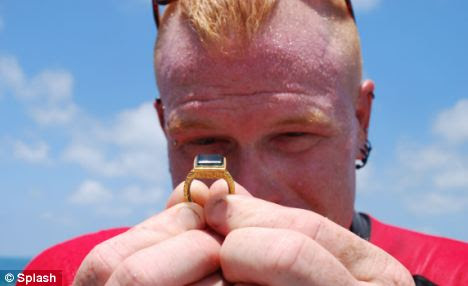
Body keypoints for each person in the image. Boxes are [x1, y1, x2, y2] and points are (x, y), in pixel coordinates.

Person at [24, 0, 467, 285]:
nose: (247, 192)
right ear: (165, 128)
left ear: (361, 121)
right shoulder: (62, 273)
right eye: (205, 140)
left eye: (295, 135)